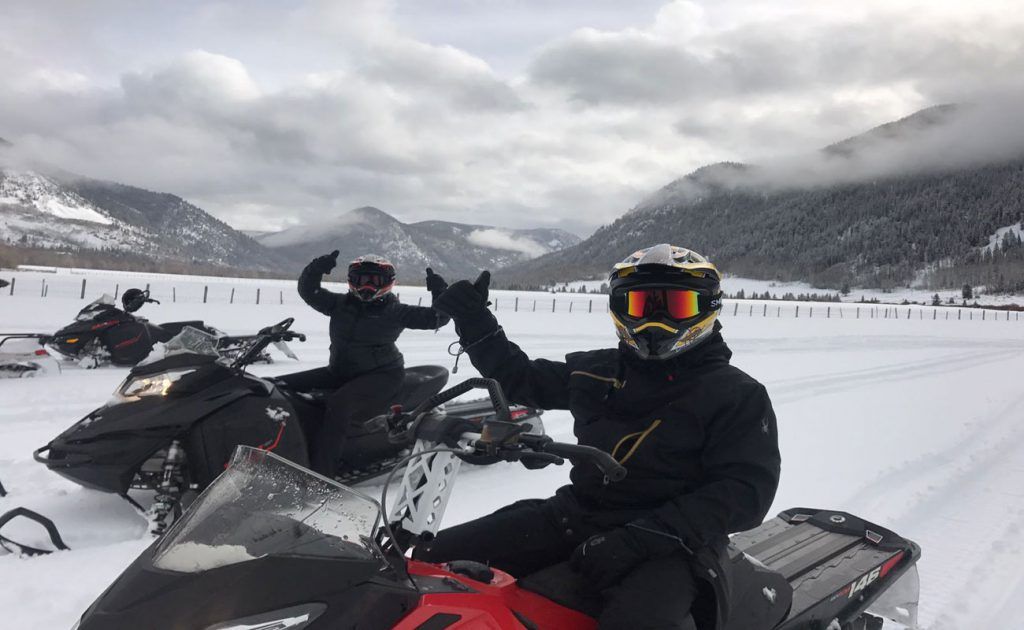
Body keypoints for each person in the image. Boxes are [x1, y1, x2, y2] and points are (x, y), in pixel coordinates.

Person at [420, 243, 781, 629]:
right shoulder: (599, 370)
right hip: (576, 513)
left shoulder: (735, 393)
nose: (654, 321)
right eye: (641, 306)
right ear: (620, 308)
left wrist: (640, 538)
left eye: (674, 307)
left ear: (706, 308)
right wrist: (476, 323)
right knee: (427, 563)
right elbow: (521, 378)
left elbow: (745, 492)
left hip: (675, 545)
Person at [279, 250, 450, 475]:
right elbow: (309, 291)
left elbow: (436, 318)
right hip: (339, 371)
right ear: (352, 281)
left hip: (382, 376)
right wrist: (316, 268)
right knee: (276, 384)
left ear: (387, 283)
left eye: (374, 281)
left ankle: (321, 474)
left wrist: (440, 292)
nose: (366, 286)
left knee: (339, 405)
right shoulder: (339, 304)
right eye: (361, 280)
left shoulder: (395, 310)